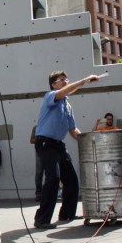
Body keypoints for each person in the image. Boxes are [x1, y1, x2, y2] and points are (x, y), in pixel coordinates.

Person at [33, 71, 99, 229]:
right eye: (61, 80)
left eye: (65, 79)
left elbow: (72, 129)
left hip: (58, 144)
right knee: (53, 178)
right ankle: (41, 219)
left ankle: (67, 213)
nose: (64, 82)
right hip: (45, 143)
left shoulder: (68, 105)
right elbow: (64, 91)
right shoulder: (51, 95)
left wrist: (87, 140)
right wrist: (84, 80)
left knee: (71, 179)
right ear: (53, 84)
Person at [30, 125, 44, 202]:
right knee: (39, 174)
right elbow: (31, 140)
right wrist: (40, 140)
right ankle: (39, 194)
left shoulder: (50, 125)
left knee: (52, 174)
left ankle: (50, 193)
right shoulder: (36, 127)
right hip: (40, 152)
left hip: (51, 152)